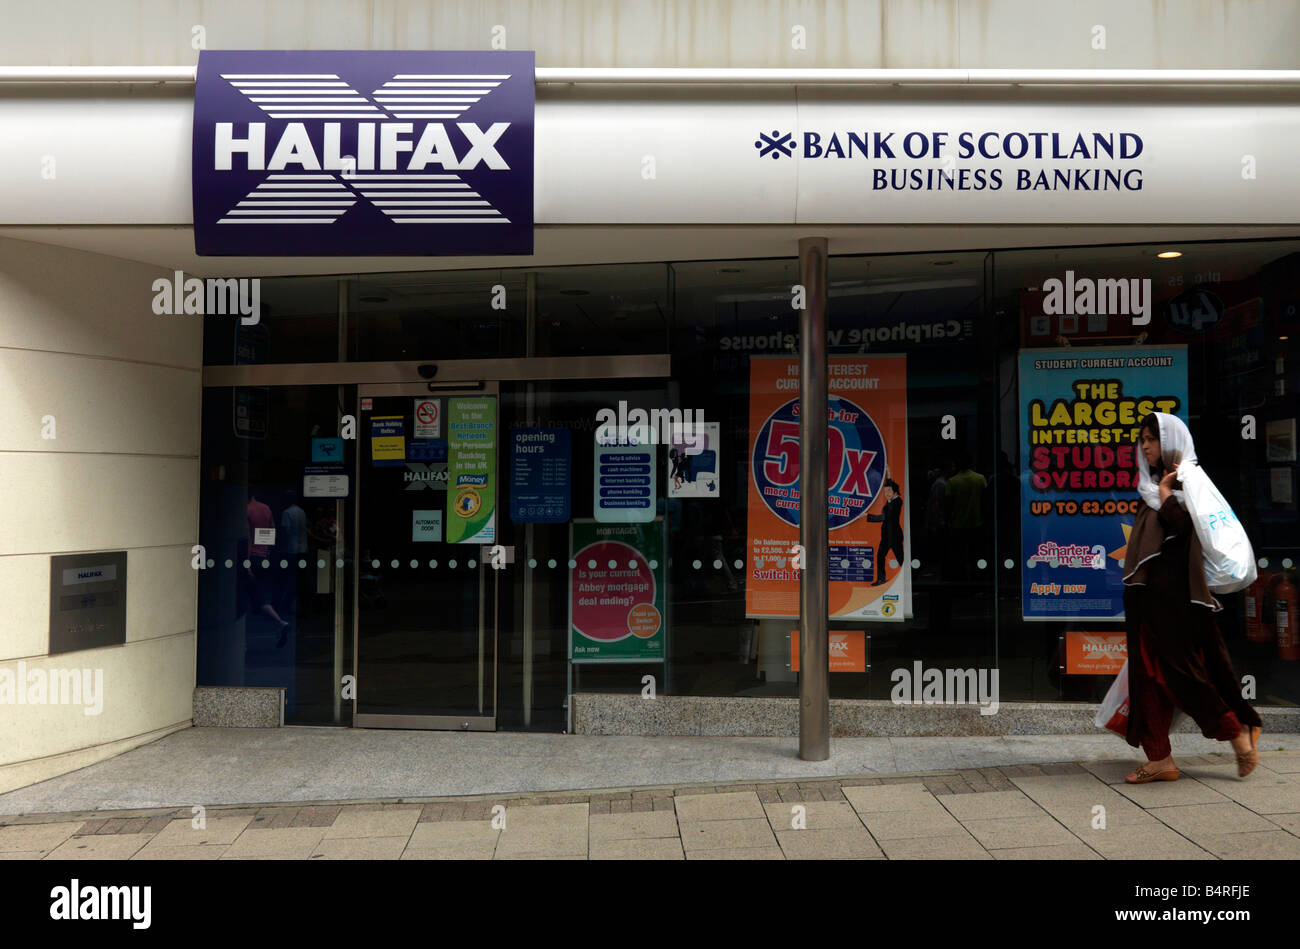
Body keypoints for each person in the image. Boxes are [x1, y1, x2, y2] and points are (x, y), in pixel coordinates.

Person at [1121, 412, 1262, 783]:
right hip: (1149, 601)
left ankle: (1236, 732)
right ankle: (1160, 758)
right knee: (1148, 679)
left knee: (1182, 674)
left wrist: (1167, 496)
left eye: (1152, 439)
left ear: (1170, 442)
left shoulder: (1187, 482)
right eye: (1143, 439)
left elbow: (1186, 530)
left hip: (1177, 602)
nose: (1145, 446)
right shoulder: (1152, 484)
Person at [867, 479, 904, 587]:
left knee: (900, 557)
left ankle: (907, 576)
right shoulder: (890, 502)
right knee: (880, 556)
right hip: (887, 536)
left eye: (889, 491)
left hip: (894, 536)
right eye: (885, 491)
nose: (886, 493)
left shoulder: (897, 501)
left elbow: (884, 517)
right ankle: (881, 579)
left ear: (895, 492)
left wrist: (868, 516)